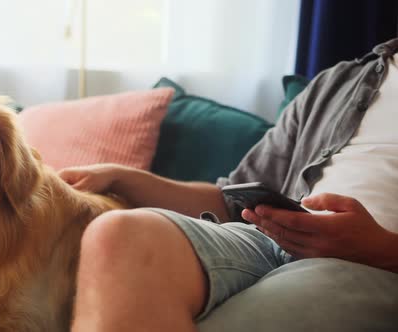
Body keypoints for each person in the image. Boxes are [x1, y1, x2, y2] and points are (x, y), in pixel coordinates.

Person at [61, 38, 398, 332]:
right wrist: (124, 177)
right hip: (265, 242)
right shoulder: (341, 83)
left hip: (371, 262)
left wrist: (380, 248)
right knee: (116, 233)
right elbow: (232, 201)